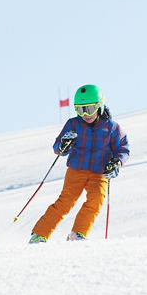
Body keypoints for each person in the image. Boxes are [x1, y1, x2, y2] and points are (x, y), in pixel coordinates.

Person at [29, 84, 129, 243]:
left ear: (99, 105)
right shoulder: (73, 124)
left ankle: (78, 233)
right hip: (76, 170)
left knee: (96, 200)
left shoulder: (112, 127)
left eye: (89, 109)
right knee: (65, 202)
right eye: (80, 109)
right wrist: (64, 145)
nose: (85, 114)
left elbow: (123, 148)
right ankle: (39, 234)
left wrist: (117, 163)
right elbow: (57, 147)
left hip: (100, 172)